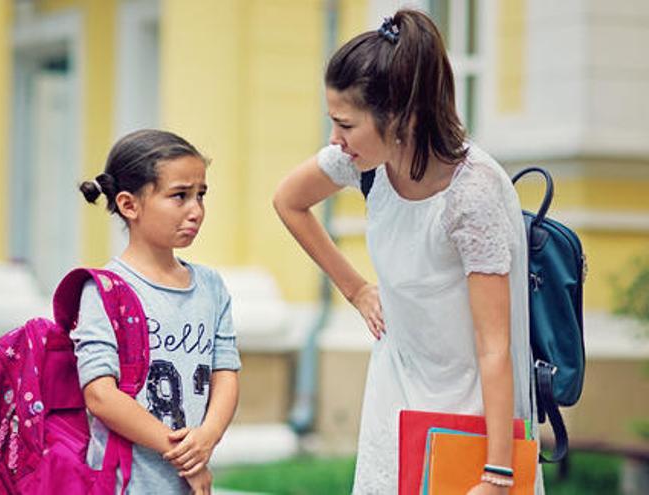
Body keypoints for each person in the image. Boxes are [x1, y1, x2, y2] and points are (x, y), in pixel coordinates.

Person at [273, 10, 541, 494]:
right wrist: (355, 290)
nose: (335, 139)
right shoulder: (365, 162)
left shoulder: (471, 192)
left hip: (475, 407)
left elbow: (494, 346)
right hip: (395, 392)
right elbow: (288, 201)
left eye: (346, 124)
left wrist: (498, 473)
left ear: (399, 115)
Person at [75, 129, 241, 494]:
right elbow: (100, 393)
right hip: (125, 483)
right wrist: (182, 453)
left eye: (200, 195)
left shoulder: (211, 286)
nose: (195, 210)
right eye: (179, 196)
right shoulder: (105, 290)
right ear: (129, 205)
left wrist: (207, 439)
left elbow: (225, 372)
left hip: (189, 476)